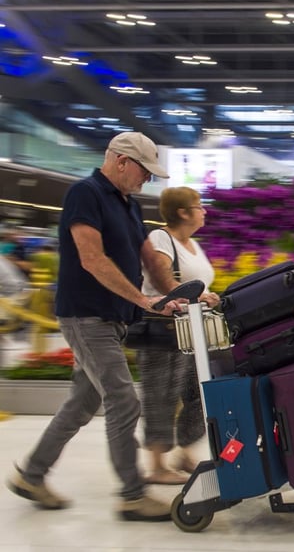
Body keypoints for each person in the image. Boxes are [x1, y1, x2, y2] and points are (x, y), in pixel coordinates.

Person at [5, 132, 180, 521]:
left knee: (81, 404)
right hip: (85, 316)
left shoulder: (127, 205)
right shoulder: (84, 194)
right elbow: (91, 258)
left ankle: (31, 475)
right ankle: (132, 495)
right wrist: (142, 300)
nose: (147, 179)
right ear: (121, 161)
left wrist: (178, 293)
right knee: (123, 399)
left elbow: (149, 258)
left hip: (112, 318)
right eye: (144, 171)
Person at [137, 187, 220, 485]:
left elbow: (199, 284)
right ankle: (157, 465)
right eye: (199, 206)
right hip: (163, 329)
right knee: (161, 394)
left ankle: (184, 451)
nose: (204, 211)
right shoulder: (161, 238)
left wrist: (210, 297)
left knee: (197, 392)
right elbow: (162, 278)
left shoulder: (194, 244)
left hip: (192, 332)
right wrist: (191, 296)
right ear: (182, 212)